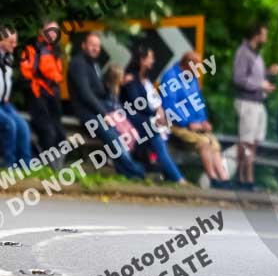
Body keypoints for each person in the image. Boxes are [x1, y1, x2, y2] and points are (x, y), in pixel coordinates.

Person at [67, 32, 145, 179]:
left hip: (101, 110)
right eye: (92, 45)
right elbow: (86, 94)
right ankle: (136, 172)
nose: (95, 48)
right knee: (114, 139)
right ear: (84, 45)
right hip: (87, 113)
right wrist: (105, 114)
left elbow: (100, 90)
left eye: (97, 46)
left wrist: (117, 84)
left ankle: (127, 172)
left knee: (128, 132)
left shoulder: (94, 64)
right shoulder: (78, 64)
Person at [161, 51, 231, 189]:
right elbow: (170, 106)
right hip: (176, 125)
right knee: (204, 142)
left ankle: (224, 178)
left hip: (195, 125)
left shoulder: (192, 78)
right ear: (188, 65)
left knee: (214, 143)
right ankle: (213, 178)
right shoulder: (170, 78)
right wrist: (187, 122)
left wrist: (203, 120)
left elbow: (198, 102)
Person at [120, 43, 186, 184]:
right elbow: (137, 103)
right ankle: (177, 178)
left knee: (161, 135)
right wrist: (155, 113)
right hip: (134, 120)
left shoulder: (146, 80)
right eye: (150, 58)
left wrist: (158, 112)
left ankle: (171, 175)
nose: (153, 61)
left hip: (145, 119)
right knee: (156, 135)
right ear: (142, 60)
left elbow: (153, 102)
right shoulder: (131, 80)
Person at [233, 22, 278, 191]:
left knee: (254, 142)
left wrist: (267, 73)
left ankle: (246, 178)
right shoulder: (243, 52)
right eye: (264, 34)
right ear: (256, 35)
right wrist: (261, 85)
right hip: (247, 102)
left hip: (258, 102)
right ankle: (244, 179)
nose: (265, 38)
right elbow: (239, 79)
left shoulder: (255, 54)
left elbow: (252, 76)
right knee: (246, 141)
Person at [19, 21, 67, 167]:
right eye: (50, 30)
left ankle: (56, 167)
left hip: (52, 95)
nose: (53, 34)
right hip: (38, 94)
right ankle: (47, 167)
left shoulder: (56, 51)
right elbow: (26, 73)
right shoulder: (32, 50)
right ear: (42, 32)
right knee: (48, 131)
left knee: (60, 134)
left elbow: (57, 75)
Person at [0, 28, 32, 168]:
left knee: (23, 126)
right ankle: (9, 165)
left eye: (15, 41)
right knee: (9, 125)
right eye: (11, 42)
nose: (15, 45)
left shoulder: (8, 57)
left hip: (4, 104)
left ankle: (25, 166)